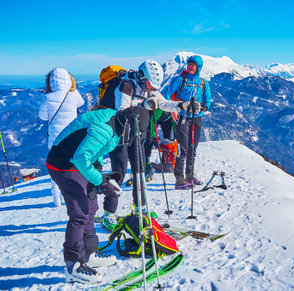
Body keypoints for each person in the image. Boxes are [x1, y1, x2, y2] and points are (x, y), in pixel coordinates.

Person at [46, 106, 153, 284]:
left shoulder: (116, 122)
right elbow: (81, 157)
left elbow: (96, 151)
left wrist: (99, 174)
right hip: (63, 164)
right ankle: (73, 266)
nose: (130, 142)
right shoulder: (105, 128)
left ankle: (89, 254)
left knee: (91, 206)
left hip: (77, 162)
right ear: (128, 126)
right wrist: (101, 182)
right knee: (80, 213)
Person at [99, 60, 192, 230]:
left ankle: (140, 208)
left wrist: (180, 105)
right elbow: (122, 111)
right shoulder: (126, 85)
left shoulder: (147, 87)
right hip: (118, 137)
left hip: (137, 135)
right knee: (118, 173)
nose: (150, 88)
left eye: (152, 86)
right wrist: (143, 105)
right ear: (142, 76)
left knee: (139, 171)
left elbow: (163, 103)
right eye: (149, 83)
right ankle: (109, 214)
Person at [161, 55, 212, 190]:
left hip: (196, 118)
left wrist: (202, 107)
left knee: (192, 149)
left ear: (198, 67)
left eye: (193, 65)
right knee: (183, 149)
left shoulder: (203, 83)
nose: (190, 67)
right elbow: (166, 93)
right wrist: (173, 108)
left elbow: (208, 101)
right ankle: (179, 179)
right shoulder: (180, 80)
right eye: (189, 64)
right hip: (182, 117)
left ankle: (189, 176)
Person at [39, 68, 85, 207]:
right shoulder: (73, 94)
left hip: (54, 138)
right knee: (73, 165)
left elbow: (43, 117)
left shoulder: (48, 97)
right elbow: (81, 103)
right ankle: (73, 194)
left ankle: (56, 199)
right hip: (72, 136)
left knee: (55, 166)